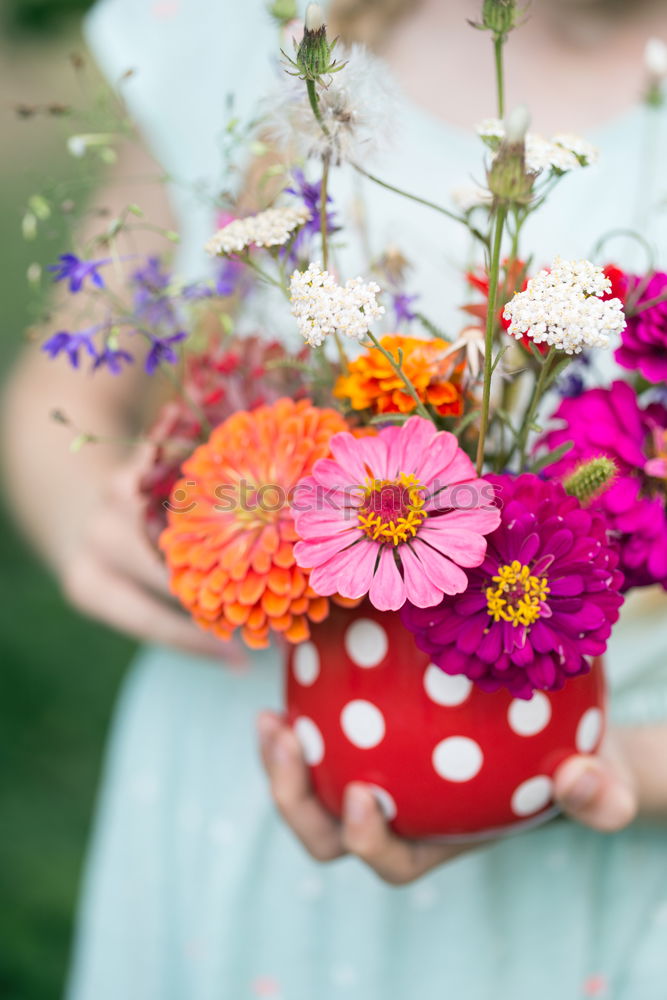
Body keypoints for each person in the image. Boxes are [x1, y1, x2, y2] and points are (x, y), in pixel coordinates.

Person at [3, 0, 667, 996]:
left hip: (584, 832)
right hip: (236, 768)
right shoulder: (260, 28)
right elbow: (65, 385)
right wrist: (89, 518)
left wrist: (622, 766)